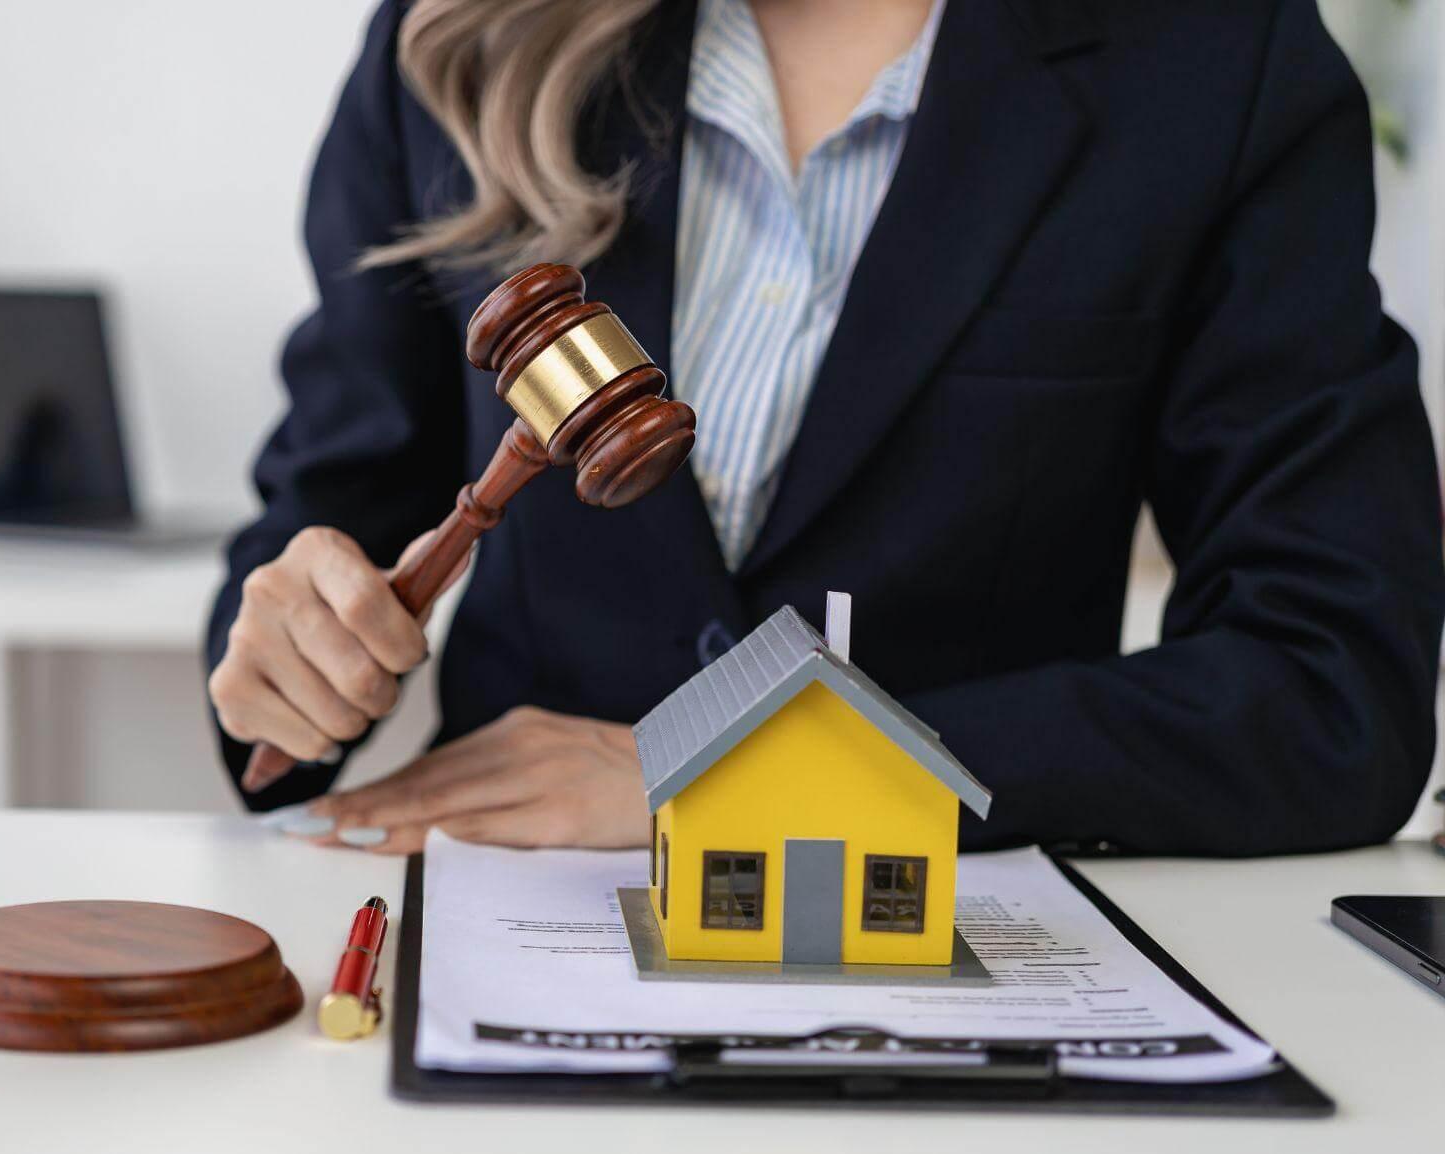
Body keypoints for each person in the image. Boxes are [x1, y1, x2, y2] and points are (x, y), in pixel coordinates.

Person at [205, 0, 1444, 858]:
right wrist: (286, 657)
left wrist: (739, 779)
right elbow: (320, 527)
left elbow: (1332, 688)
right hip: (517, 940)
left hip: (943, 966)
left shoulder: (1212, 66)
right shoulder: (458, 40)